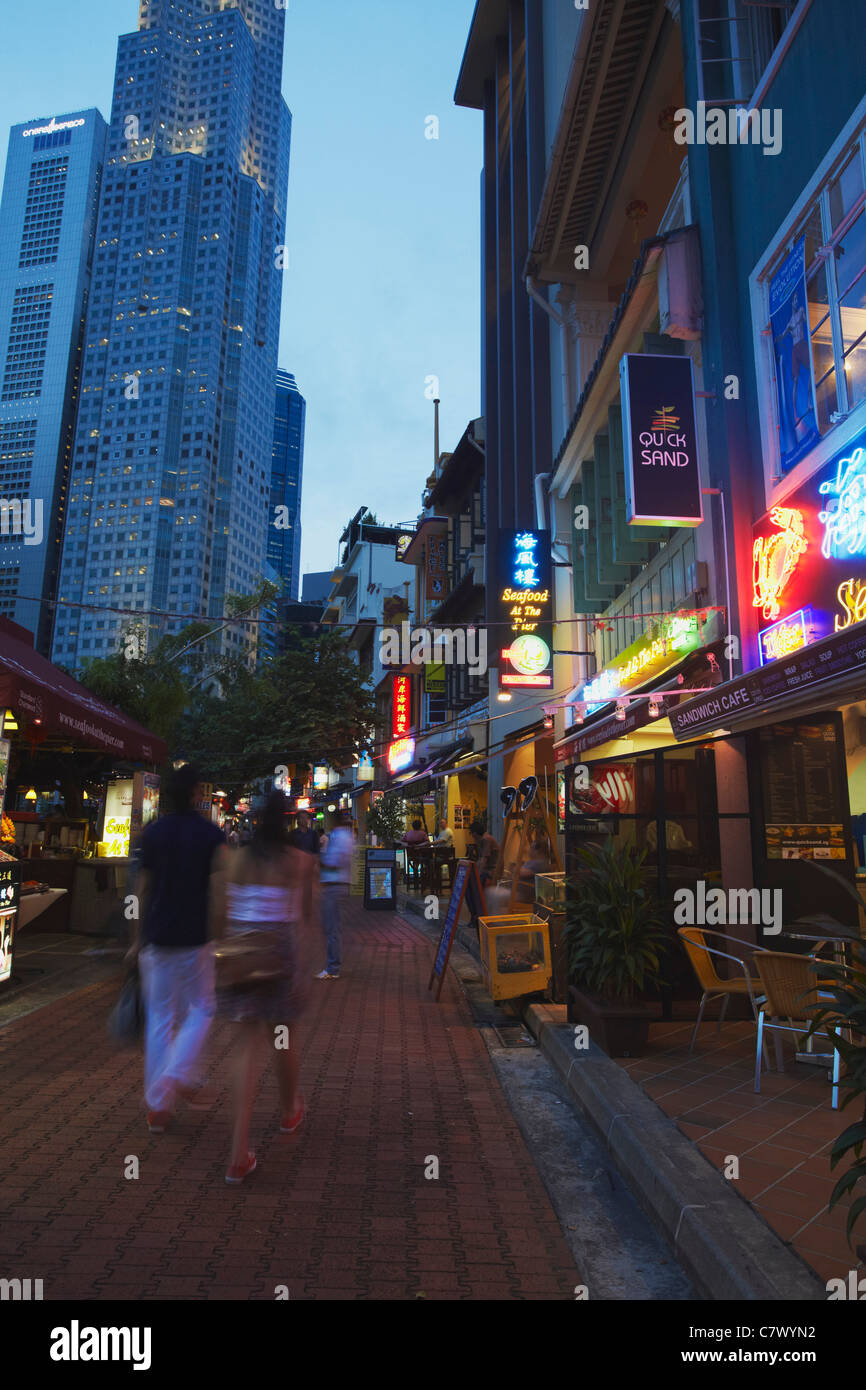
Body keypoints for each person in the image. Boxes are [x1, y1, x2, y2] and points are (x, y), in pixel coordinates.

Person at [214, 790, 315, 1185]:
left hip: (242, 952)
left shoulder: (236, 859)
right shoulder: (300, 862)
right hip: (279, 952)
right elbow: (305, 921)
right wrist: (305, 969)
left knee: (245, 1047)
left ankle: (238, 1151)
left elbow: (223, 912)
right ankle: (289, 1110)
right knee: (282, 1035)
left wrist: (220, 955)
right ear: (288, 820)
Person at [128, 764, 226, 1135]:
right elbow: (219, 891)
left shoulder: (152, 833)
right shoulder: (211, 834)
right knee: (203, 1008)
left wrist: (135, 938)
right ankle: (176, 1073)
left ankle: (158, 1108)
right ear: (196, 793)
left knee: (160, 1017)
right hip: (195, 936)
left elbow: (140, 889)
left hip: (156, 935)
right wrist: (221, 934)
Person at [316, 812, 353, 980]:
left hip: (334, 885)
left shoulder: (339, 836)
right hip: (339, 884)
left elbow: (334, 862)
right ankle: (333, 965)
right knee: (333, 927)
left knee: (332, 928)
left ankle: (332, 968)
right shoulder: (347, 836)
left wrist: (320, 860)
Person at [470, 820, 499, 888]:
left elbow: (484, 860)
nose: (471, 835)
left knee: (473, 881)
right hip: (489, 868)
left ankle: (479, 898)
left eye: (471, 833)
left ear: (474, 833)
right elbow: (481, 860)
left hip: (493, 870)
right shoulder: (483, 839)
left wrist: (477, 874)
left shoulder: (486, 839)